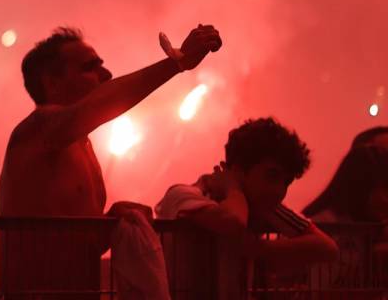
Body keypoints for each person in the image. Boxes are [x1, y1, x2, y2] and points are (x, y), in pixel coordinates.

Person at [0, 25, 221, 296]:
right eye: (90, 67)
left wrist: (112, 222)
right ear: (51, 82)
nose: (107, 74)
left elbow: (73, 244)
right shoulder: (35, 130)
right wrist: (176, 62)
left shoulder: (81, 146)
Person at [156, 118, 338, 293]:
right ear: (237, 169)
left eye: (287, 182)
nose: (280, 191)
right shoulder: (183, 195)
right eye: (272, 176)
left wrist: (258, 249)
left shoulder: (263, 204)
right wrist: (233, 188)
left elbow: (327, 247)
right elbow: (234, 222)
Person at [302, 144, 388, 292]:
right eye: (380, 188)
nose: (385, 199)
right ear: (357, 186)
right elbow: (319, 291)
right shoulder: (323, 226)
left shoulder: (376, 228)